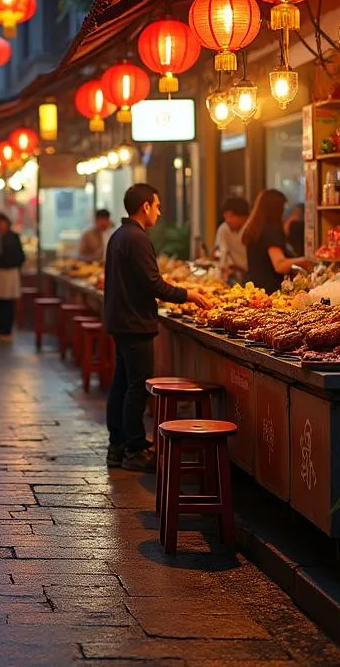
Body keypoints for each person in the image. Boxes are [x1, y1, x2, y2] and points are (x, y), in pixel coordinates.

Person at [104, 184, 211, 472]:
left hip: (121, 320)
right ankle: (135, 449)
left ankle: (117, 447)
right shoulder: (136, 238)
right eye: (158, 205)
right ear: (145, 206)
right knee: (137, 386)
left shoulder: (119, 235)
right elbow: (153, 284)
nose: (160, 211)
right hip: (134, 322)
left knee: (122, 383)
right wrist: (187, 294)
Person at [243, 189, 314, 294]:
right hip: (268, 292)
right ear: (276, 209)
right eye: (283, 208)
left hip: (253, 288)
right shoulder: (271, 231)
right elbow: (279, 265)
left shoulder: (255, 229)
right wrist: (305, 260)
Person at [0, 213, 25, 341]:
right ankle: (1, 330)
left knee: (9, 303)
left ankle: (7, 331)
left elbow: (21, 256)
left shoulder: (13, 237)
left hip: (10, 273)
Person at [213, 196, 250, 282]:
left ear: (245, 216)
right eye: (226, 217)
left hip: (254, 275)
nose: (228, 220)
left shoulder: (251, 230)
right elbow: (221, 252)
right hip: (235, 276)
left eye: (232, 216)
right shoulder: (224, 229)